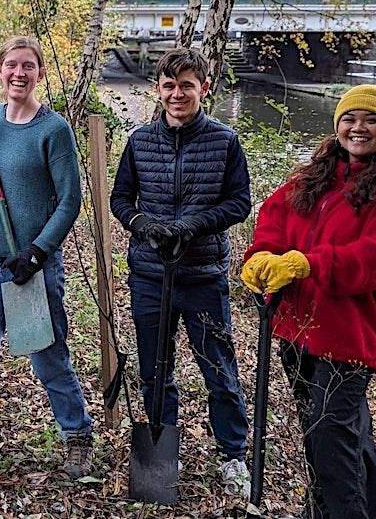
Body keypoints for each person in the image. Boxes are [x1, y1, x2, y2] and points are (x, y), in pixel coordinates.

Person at [241, 84, 376, 519]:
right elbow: (275, 215)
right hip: (296, 327)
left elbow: (375, 261)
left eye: (372, 120)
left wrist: (308, 264)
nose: (359, 128)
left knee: (330, 440)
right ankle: (329, 510)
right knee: (337, 433)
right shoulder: (317, 176)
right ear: (337, 125)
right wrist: (263, 253)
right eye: (350, 119)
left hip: (350, 337)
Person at [0, 36, 94, 478]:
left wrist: (38, 252)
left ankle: (76, 434)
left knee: (45, 353)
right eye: (11, 65)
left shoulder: (54, 130)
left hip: (29, 263)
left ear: (40, 73)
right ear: (0, 69)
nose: (18, 74)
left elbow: (70, 202)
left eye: (28, 66)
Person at [110, 48, 253, 497]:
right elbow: (121, 200)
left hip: (203, 275)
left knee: (219, 368)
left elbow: (239, 203)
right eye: (169, 86)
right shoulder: (139, 141)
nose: (177, 94)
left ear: (203, 88)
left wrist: (193, 225)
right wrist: (143, 225)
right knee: (155, 369)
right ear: (159, 89)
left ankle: (233, 455)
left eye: (187, 86)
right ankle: (161, 453)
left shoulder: (224, 141)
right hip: (151, 274)